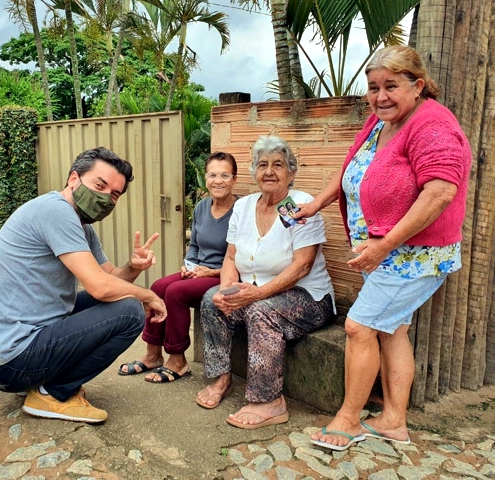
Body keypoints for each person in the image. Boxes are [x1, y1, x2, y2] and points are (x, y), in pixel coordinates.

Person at [297, 45, 471, 450]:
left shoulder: (432, 124)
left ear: (418, 85)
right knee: (392, 331)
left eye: (391, 86)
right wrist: (315, 205)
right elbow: (349, 170)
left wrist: (383, 245)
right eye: (374, 87)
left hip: (414, 255)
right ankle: (394, 421)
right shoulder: (382, 123)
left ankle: (349, 419)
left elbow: (441, 191)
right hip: (387, 253)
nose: (380, 96)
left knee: (360, 328)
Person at [0, 147, 167, 424]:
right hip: (8, 362)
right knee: (130, 312)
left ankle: (46, 382)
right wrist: (148, 294)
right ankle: (53, 393)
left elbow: (112, 280)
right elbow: (100, 286)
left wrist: (134, 267)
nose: (105, 197)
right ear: (74, 179)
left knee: (121, 302)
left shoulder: (82, 226)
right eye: (100, 185)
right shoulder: (55, 211)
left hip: (21, 346)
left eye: (114, 194)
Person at [195, 135, 335, 429]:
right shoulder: (244, 207)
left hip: (307, 297)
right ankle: (222, 379)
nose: (269, 171)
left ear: (291, 173)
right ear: (254, 172)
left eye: (278, 165)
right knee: (212, 300)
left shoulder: (296, 205)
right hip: (257, 292)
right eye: (262, 165)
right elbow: (230, 258)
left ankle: (270, 401)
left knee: (262, 310)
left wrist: (255, 295)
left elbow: (302, 266)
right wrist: (226, 289)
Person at [118, 152, 238, 382]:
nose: (218, 180)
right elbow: (193, 245)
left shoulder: (241, 210)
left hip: (224, 276)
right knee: (158, 286)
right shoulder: (202, 207)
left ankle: (177, 359)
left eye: (225, 175)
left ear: (234, 179)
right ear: (206, 178)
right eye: (213, 175)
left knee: (175, 292)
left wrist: (209, 271)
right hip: (198, 272)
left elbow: (243, 258)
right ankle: (153, 355)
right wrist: (188, 266)